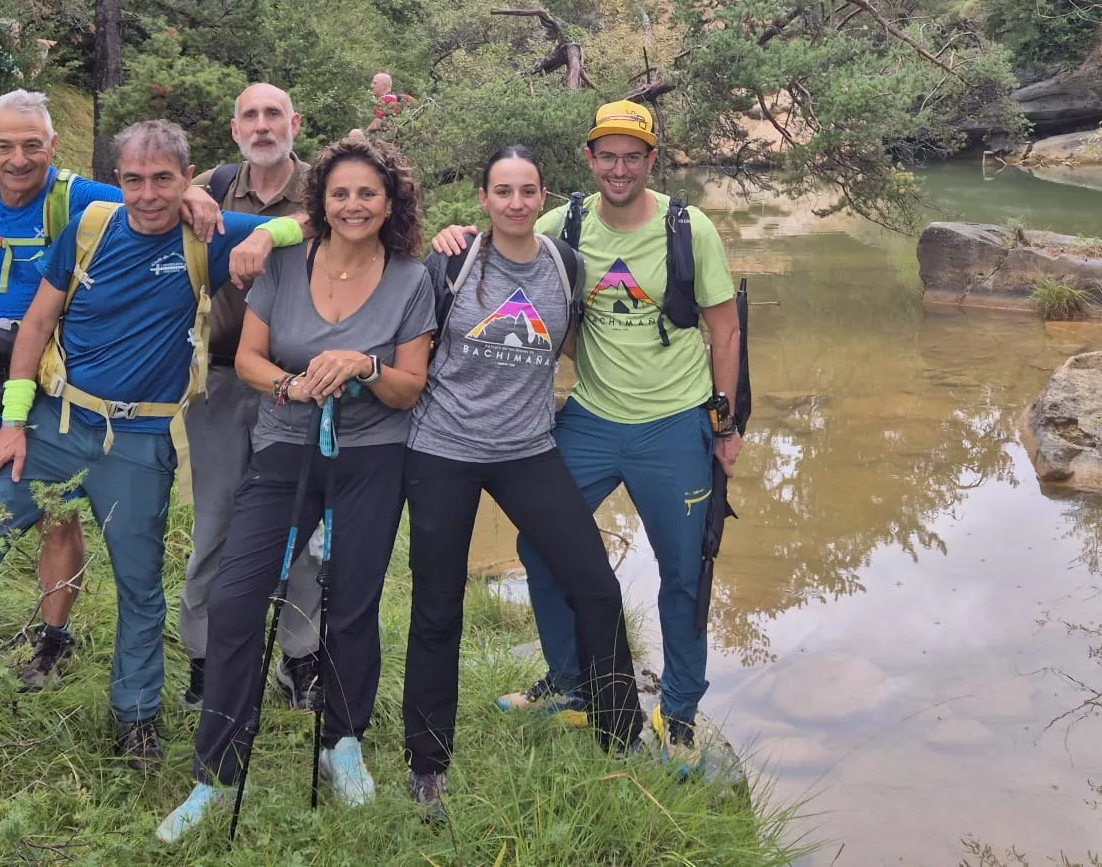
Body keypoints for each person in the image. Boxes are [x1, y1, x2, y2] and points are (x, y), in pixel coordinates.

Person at [0, 120, 297, 766]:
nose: (148, 195)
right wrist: (13, 423)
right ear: (117, 180)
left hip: (139, 443)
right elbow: (38, 322)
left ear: (187, 177)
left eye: (164, 179)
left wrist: (264, 233)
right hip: (53, 428)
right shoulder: (89, 228)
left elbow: (317, 220)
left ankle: (136, 717)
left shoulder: (207, 235)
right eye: (134, 180)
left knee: (140, 587)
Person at [432, 100, 740, 765]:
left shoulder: (689, 228)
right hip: (591, 419)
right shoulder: (562, 224)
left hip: (675, 425)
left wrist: (726, 425)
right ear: (590, 159)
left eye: (633, 156)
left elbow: (725, 329)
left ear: (652, 160)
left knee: (685, 572)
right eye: (608, 156)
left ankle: (679, 711)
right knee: (541, 546)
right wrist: (454, 236)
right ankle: (571, 680)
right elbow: (505, 233)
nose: (619, 168)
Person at [160, 137, 435, 838]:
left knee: (352, 604)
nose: (353, 205)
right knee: (236, 600)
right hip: (285, 447)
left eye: (368, 194)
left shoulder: (411, 279)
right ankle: (215, 774)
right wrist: (292, 385)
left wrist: (364, 366)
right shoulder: (287, 263)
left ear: (390, 204)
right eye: (340, 193)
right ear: (321, 200)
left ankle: (343, 743)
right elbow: (249, 357)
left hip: (373, 455)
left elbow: (410, 387)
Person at [0, 89, 224, 687]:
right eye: (4, 146)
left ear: (54, 146)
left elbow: (144, 199)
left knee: (58, 519)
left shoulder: (81, 199)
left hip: (53, 392)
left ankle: (52, 641)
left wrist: (192, 193)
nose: (19, 158)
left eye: (33, 144)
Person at [402, 144, 642, 816]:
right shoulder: (450, 261)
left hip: (528, 449)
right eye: (502, 191)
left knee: (596, 588)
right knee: (437, 608)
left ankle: (619, 736)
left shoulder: (565, 265)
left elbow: (582, 342)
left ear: (543, 198)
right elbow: (411, 349)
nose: (515, 202)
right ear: (483, 198)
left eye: (527, 191)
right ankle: (428, 764)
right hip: (443, 448)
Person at [179, 81, 317, 714]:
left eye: (273, 115)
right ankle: (206, 658)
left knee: (300, 526)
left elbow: (348, 215)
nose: (263, 126)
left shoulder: (323, 187)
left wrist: (273, 232)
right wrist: (186, 192)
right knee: (214, 522)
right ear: (235, 130)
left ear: (294, 124)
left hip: (299, 383)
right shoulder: (214, 184)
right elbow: (153, 197)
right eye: (250, 117)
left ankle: (301, 656)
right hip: (219, 379)